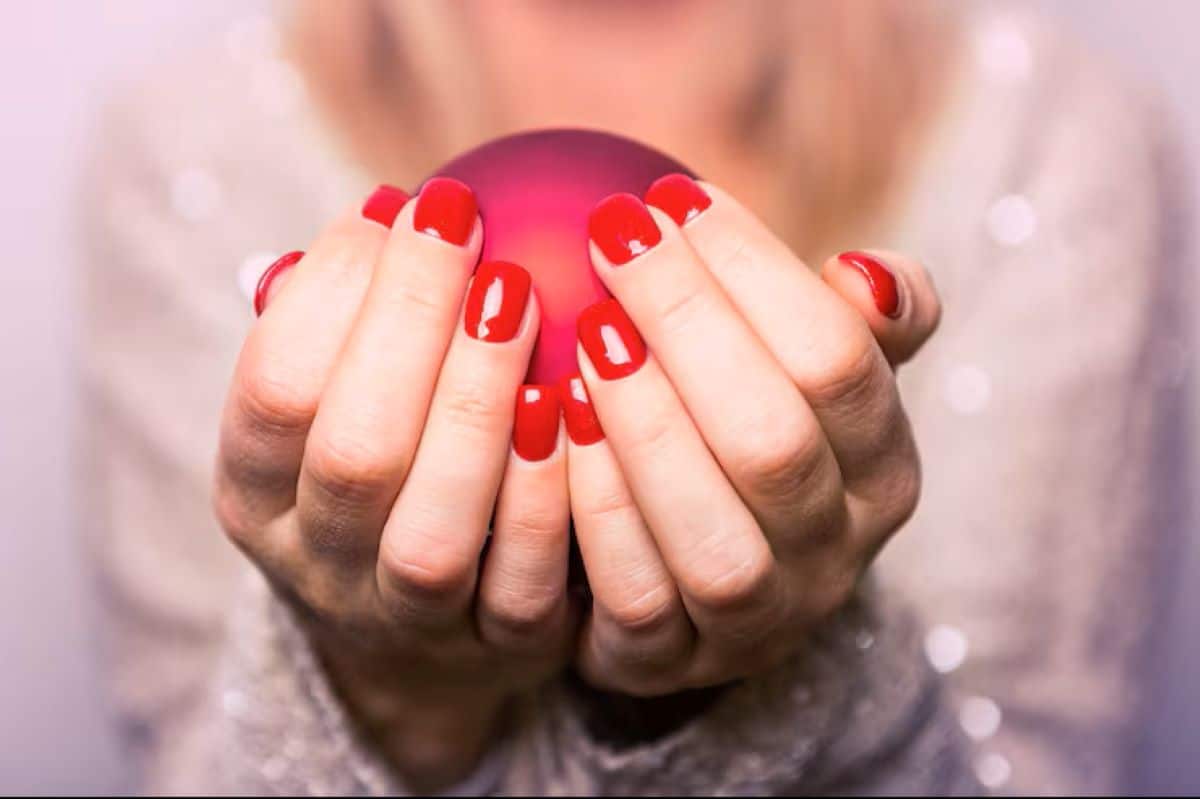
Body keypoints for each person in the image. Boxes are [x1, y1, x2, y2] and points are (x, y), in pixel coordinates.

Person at [78, 1, 1190, 794]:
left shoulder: (1052, 143)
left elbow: (1039, 772)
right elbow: (190, 765)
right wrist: (390, 694)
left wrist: (748, 685)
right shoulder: (187, 150)